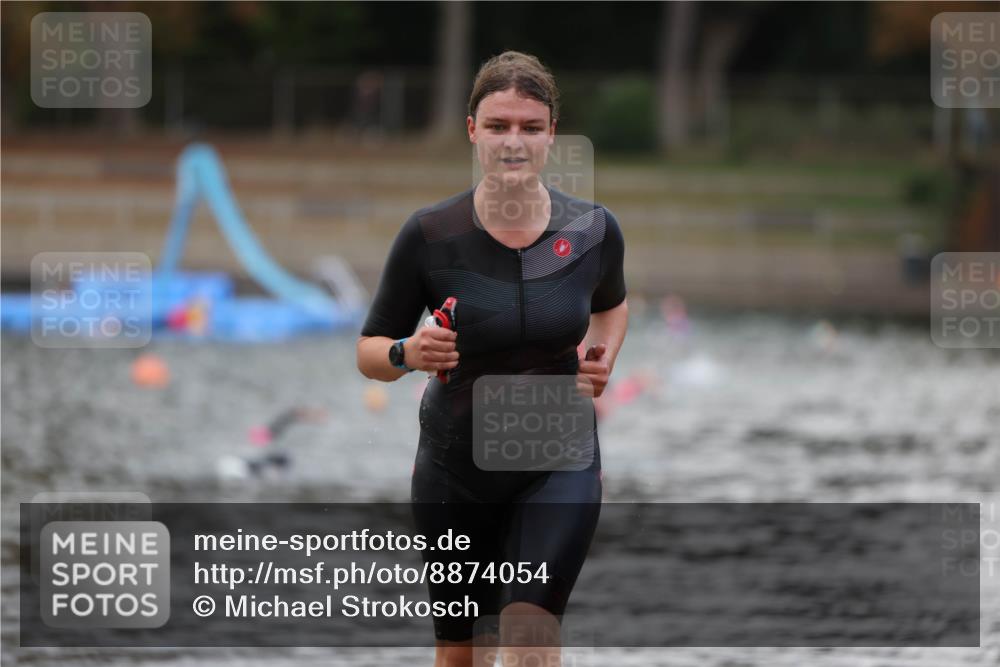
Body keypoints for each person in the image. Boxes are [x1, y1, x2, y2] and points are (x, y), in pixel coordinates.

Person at [356, 50, 628, 667]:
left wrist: (603, 355)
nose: (515, 141)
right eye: (499, 126)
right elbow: (368, 353)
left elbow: (614, 306)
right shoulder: (429, 235)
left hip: (558, 458)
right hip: (455, 468)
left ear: (552, 133)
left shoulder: (592, 230)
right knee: (462, 654)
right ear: (472, 130)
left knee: (530, 636)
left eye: (531, 127)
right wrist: (408, 351)